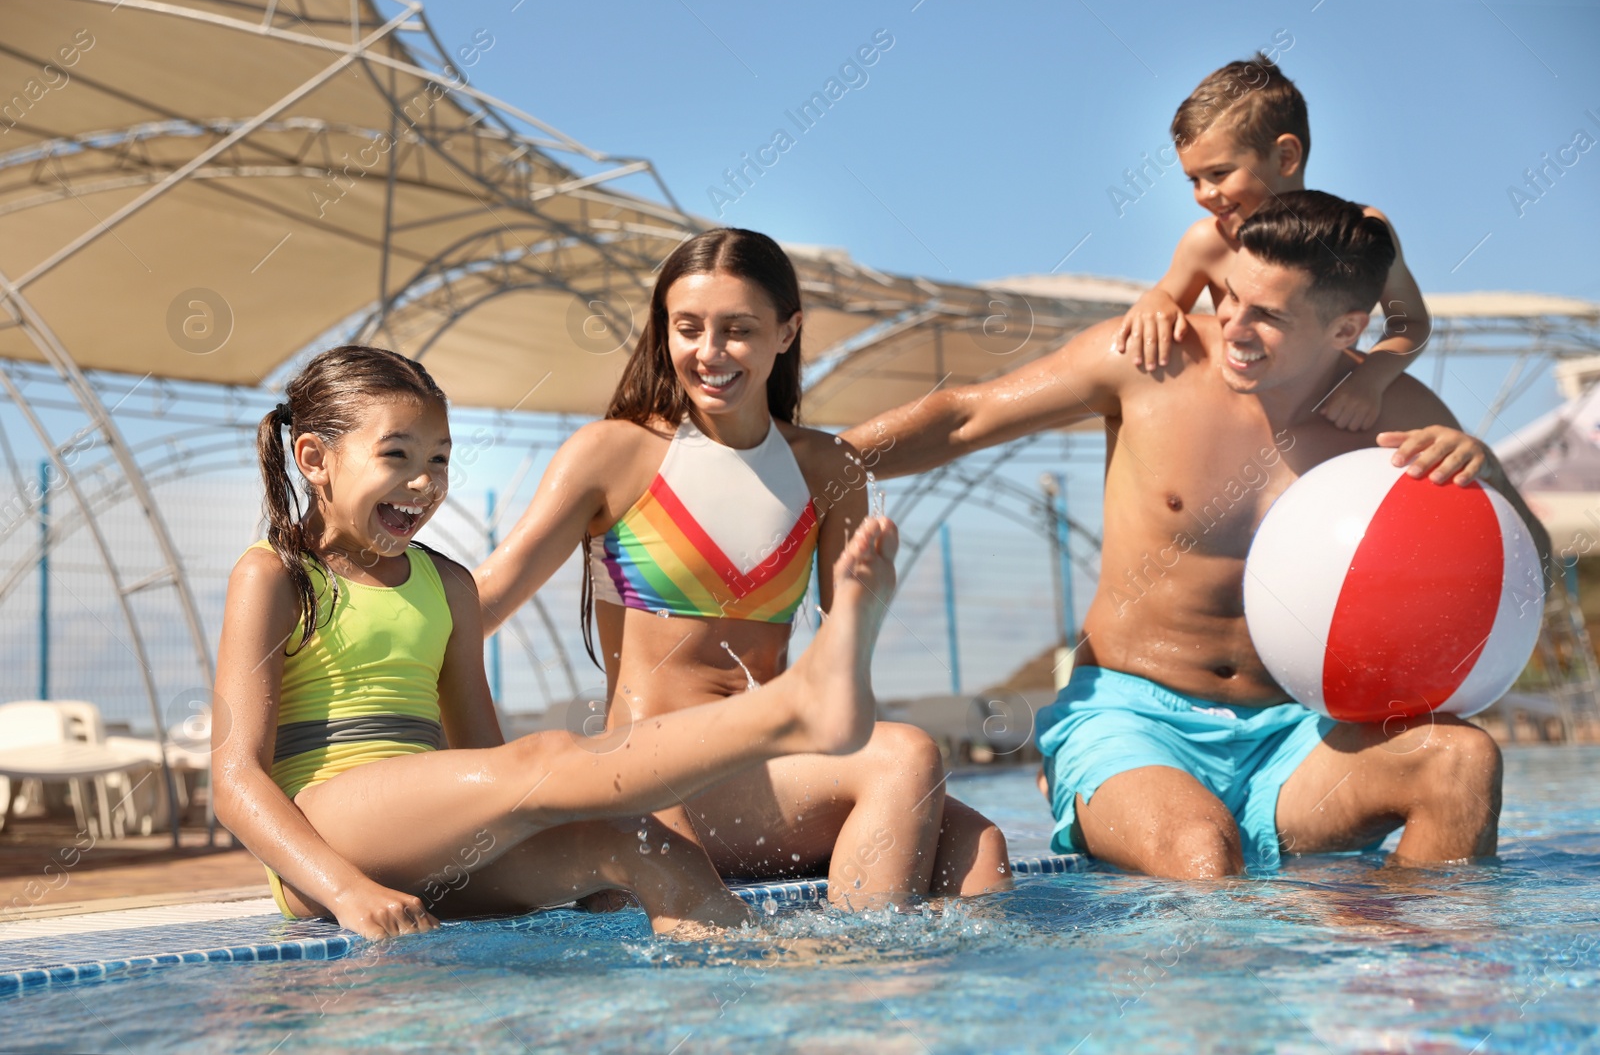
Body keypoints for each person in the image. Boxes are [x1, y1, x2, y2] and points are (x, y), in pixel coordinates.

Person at [845, 191, 1551, 880]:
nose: (1234, 327)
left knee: (1461, 763)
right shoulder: (1154, 359)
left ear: (1346, 330)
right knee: (1201, 854)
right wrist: (812, 463)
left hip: (1296, 735)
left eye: (1268, 315)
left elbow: (1533, 564)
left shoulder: (1396, 412)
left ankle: (1395, 984)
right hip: (1135, 719)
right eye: (1229, 296)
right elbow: (964, 417)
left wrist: (1485, 478)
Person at [212, 344, 902, 939]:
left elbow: (488, 761)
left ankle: (764, 997)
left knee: (646, 846)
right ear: (313, 458)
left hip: (432, 843)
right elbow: (235, 778)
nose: (425, 483)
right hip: (324, 834)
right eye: (397, 455)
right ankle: (791, 708)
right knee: (545, 757)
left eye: (441, 459)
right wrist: (342, 887)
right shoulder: (273, 575)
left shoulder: (447, 585)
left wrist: (572, 848)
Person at [474, 228, 1009, 907]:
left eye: (737, 330)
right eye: (688, 328)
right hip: (650, 780)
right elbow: (485, 598)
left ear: (787, 333)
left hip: (763, 777)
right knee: (907, 754)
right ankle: (858, 978)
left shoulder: (826, 471)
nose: (708, 352)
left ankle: (917, 997)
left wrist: (859, 617)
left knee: (980, 846)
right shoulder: (614, 454)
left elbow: (843, 695)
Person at [1114, 54, 1429, 433]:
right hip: (1239, 424)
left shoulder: (1359, 235)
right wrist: (1155, 301)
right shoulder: (1207, 243)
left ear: (1285, 156)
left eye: (1219, 173)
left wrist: (1369, 380)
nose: (1204, 194)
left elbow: (1409, 321)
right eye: (1193, 180)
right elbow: (1164, 300)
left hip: (1324, 421)